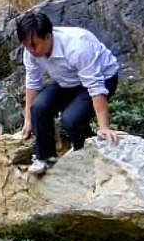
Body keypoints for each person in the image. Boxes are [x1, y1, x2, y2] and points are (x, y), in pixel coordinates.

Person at [17, 11, 119, 176]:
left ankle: (85, 152)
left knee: (71, 119)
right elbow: (32, 83)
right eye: (26, 45)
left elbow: (95, 86)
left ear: (48, 37)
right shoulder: (30, 50)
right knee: (39, 107)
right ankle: (45, 157)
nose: (30, 50)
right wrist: (28, 120)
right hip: (67, 80)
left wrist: (104, 127)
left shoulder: (78, 46)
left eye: (34, 45)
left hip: (103, 78)